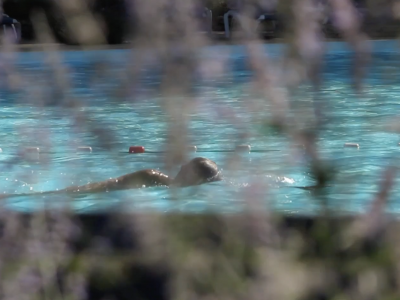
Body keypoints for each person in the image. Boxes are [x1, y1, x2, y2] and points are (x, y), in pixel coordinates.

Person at [0, 157, 223, 199]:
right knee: (49, 195)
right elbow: (109, 185)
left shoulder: (153, 177)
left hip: (95, 192)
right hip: (94, 191)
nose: (182, 164)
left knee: (48, 195)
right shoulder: (153, 178)